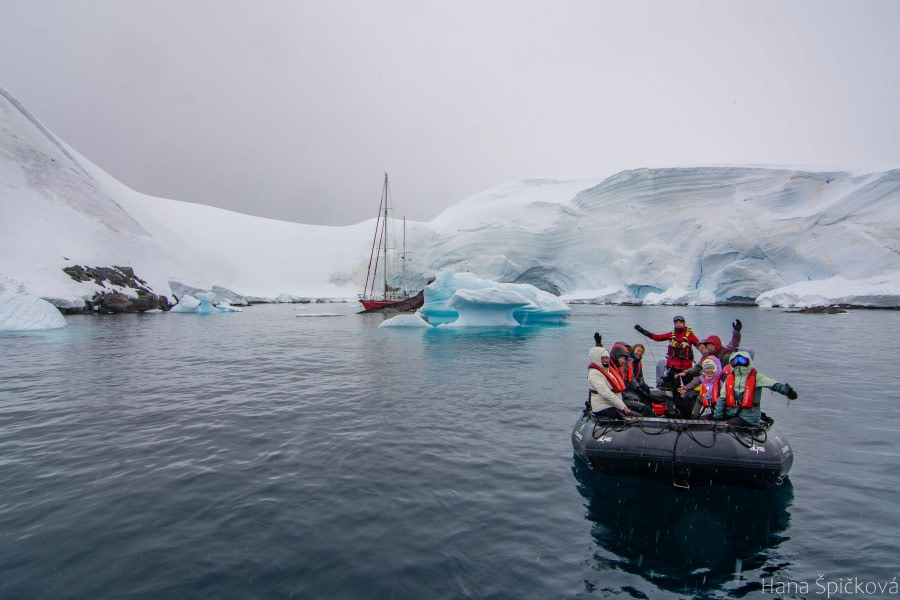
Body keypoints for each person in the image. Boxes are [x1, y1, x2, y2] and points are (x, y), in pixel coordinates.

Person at [710, 349, 798, 427]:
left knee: (727, 424)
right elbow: (722, 398)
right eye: (736, 361)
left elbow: (773, 385)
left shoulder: (756, 377)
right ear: (731, 363)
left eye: (743, 360)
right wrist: (717, 416)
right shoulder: (730, 378)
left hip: (748, 417)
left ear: (748, 362)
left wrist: (787, 391)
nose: (739, 363)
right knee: (705, 419)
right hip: (731, 413)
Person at [634, 316, 700, 418]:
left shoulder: (690, 336)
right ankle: (679, 411)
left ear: (684, 324)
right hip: (673, 368)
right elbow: (657, 338)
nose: (678, 324)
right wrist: (643, 331)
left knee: (689, 391)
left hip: (686, 369)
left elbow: (700, 346)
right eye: (676, 323)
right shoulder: (671, 335)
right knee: (675, 392)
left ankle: (688, 412)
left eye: (680, 322)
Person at [587, 344, 654, 418]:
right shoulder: (595, 374)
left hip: (615, 403)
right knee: (638, 416)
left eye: (607, 358)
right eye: (602, 358)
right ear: (597, 358)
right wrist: (622, 407)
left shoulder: (608, 370)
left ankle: (654, 418)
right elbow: (606, 393)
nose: (605, 360)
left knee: (642, 407)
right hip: (604, 406)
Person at [676, 319, 742, 382]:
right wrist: (686, 372)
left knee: (727, 357)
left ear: (717, 344)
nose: (709, 347)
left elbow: (734, 342)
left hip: (727, 378)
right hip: (713, 380)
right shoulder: (707, 358)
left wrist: (736, 332)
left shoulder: (725, 352)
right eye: (707, 345)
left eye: (711, 345)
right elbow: (698, 367)